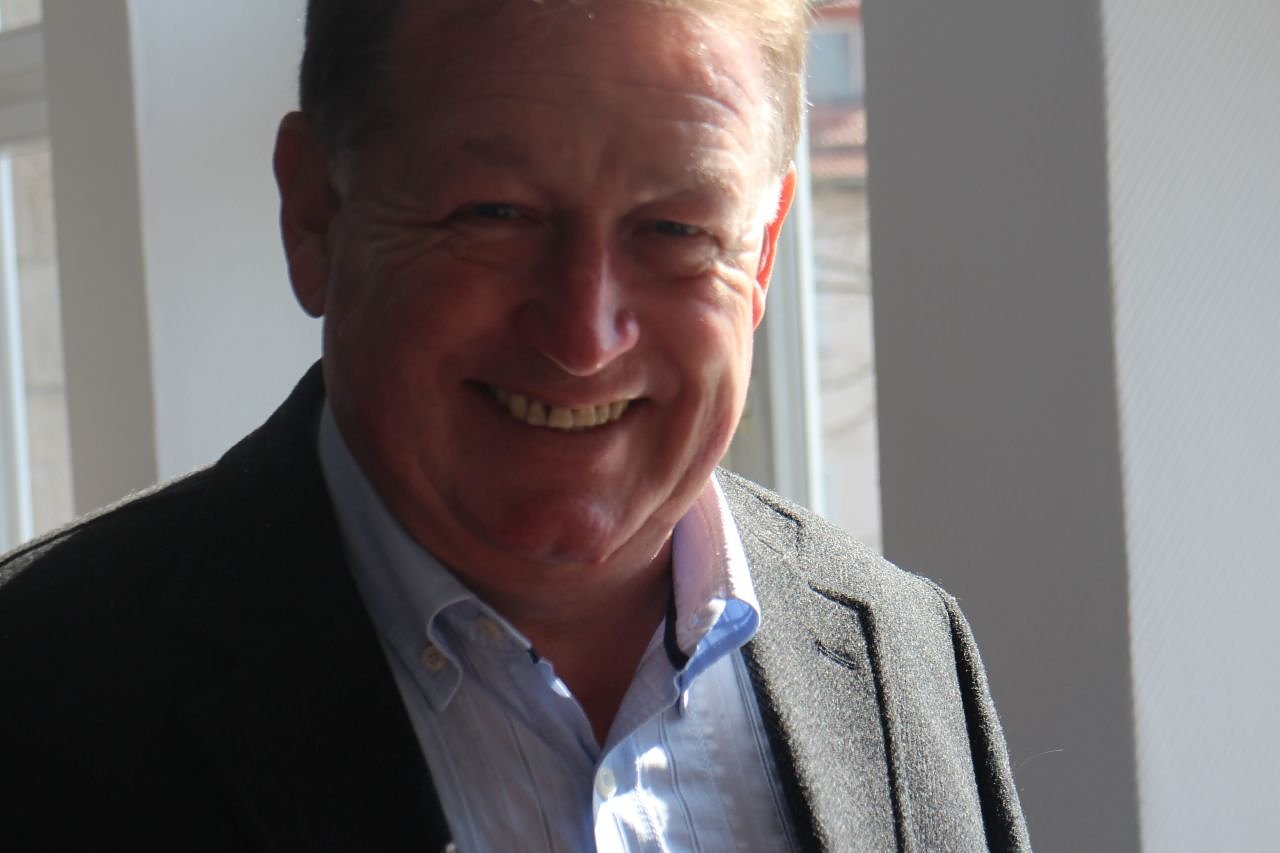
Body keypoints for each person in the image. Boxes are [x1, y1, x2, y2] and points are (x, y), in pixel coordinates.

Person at [0, 0, 1029, 850]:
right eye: (494, 213)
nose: (582, 336)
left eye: (675, 229)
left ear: (759, 258)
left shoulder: (903, 654)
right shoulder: (37, 693)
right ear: (314, 214)